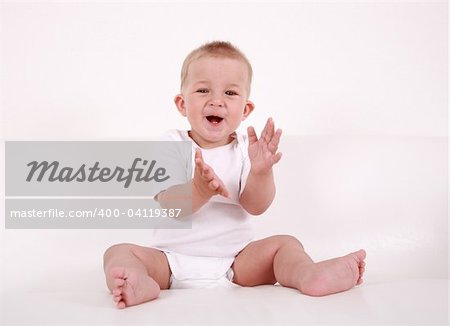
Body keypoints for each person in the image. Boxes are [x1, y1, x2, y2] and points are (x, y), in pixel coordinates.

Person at [103, 41, 366, 309]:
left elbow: (256, 206)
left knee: (286, 244)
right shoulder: (171, 143)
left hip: (237, 262)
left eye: (230, 92)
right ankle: (141, 282)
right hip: (170, 261)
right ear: (182, 104)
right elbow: (171, 206)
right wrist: (199, 190)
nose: (216, 100)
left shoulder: (244, 150)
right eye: (203, 90)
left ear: (245, 110)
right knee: (118, 252)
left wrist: (262, 171)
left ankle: (307, 275)